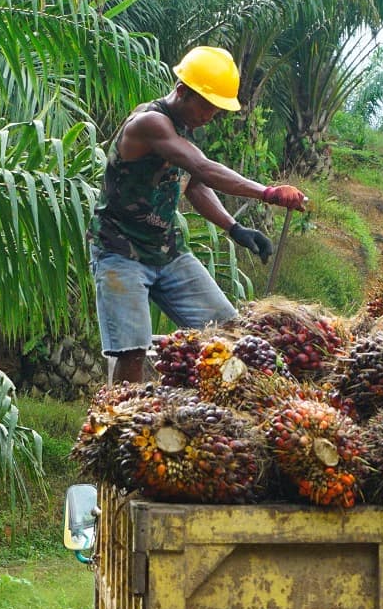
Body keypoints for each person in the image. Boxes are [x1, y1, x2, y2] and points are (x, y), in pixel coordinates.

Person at [93, 46, 307, 382]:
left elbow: (193, 185)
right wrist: (266, 192)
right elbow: (202, 168)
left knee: (228, 331)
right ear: (181, 92)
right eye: (206, 105)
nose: (210, 115)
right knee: (132, 352)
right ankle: (120, 423)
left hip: (167, 252)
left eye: (217, 109)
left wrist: (235, 229)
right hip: (121, 252)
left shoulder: (182, 130)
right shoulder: (151, 122)